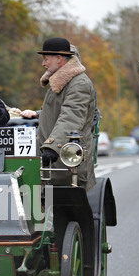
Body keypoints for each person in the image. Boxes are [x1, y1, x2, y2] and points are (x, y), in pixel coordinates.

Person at [34, 37, 97, 191]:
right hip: (55, 164)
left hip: (66, 163)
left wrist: (52, 147)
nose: (43, 63)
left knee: (67, 213)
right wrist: (35, 114)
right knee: (45, 210)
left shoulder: (78, 84)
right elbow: (55, 113)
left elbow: (71, 117)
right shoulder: (60, 82)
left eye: (46, 59)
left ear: (59, 59)